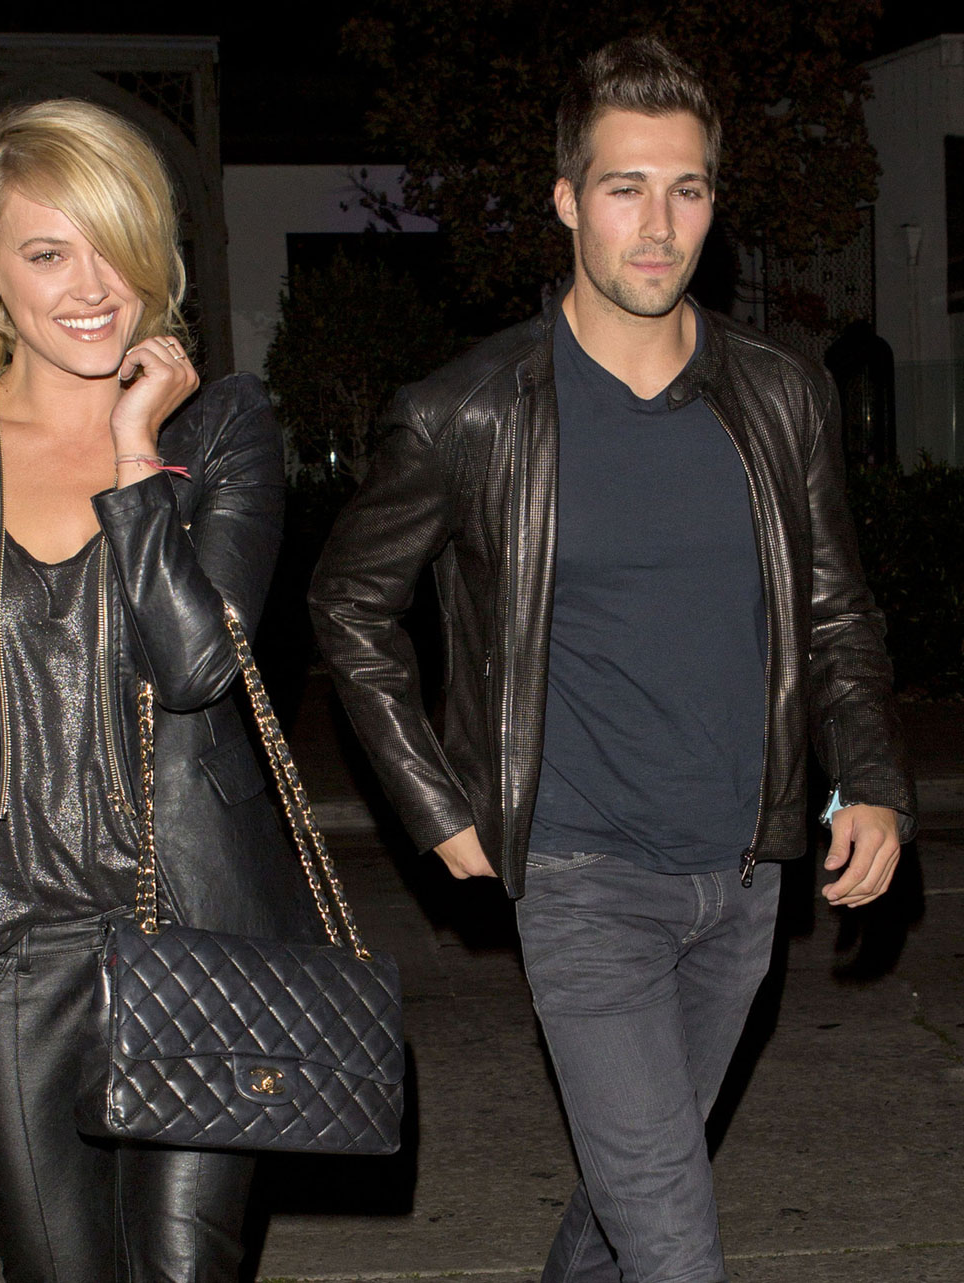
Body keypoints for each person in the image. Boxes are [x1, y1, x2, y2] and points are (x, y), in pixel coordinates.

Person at [308, 36, 916, 1283]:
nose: (659, 224)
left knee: (633, 1188)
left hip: (744, 874)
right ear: (568, 200)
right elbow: (349, 603)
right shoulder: (469, 410)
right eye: (625, 188)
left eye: (686, 188)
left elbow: (834, 607)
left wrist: (872, 775)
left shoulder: (780, 394)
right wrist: (436, 804)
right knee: (675, 1240)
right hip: (581, 876)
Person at [0, 98, 313, 1282]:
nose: (93, 285)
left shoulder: (222, 427)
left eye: (115, 244)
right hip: (14, 947)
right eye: (50, 252)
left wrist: (134, 453)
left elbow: (197, 665)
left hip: (201, 932)